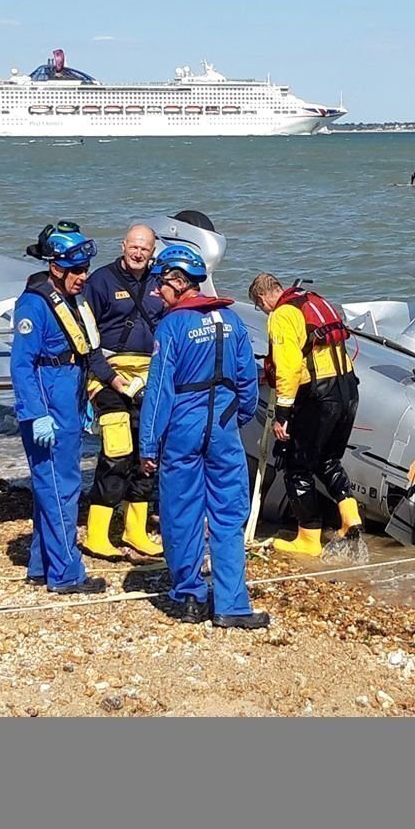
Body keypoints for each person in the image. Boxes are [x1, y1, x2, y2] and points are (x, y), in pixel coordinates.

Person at [137, 243, 267, 629]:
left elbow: (159, 392)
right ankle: (232, 604)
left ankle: (190, 596)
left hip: (184, 428)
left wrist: (148, 445)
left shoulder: (172, 326)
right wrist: (236, 418)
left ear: (179, 283)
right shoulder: (231, 320)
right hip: (223, 427)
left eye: (161, 284)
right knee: (229, 515)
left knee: (182, 513)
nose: (157, 292)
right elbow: (248, 382)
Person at [10, 222, 119, 595]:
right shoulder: (34, 305)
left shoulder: (73, 297)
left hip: (69, 394)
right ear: (56, 267)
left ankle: (42, 564)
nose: (83, 277)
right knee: (61, 486)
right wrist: (36, 412)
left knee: (53, 485)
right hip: (49, 402)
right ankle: (67, 574)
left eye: (86, 269)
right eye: (76, 270)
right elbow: (22, 365)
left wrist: (114, 384)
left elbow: (87, 348)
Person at [249, 272, 362, 558]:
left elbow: (288, 366)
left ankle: (308, 537)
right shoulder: (314, 302)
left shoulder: (282, 315)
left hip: (317, 396)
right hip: (347, 389)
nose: (263, 312)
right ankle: (351, 519)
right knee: (328, 459)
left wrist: (283, 414)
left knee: (296, 465)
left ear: (262, 298)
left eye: (259, 307)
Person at [78, 223, 166, 560]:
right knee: (117, 452)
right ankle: (97, 534)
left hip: (148, 378)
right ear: (123, 245)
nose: (139, 252)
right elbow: (86, 339)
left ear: (152, 250)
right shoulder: (100, 281)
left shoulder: (160, 282)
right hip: (108, 376)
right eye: (134, 246)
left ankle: (136, 532)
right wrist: (110, 378)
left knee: (146, 454)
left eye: (145, 247)